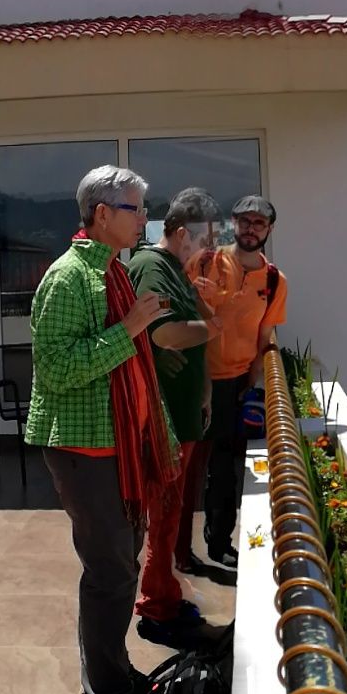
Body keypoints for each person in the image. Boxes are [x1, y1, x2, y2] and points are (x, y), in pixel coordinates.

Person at [26, 166, 178, 694]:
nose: (144, 217)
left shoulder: (111, 272)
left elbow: (133, 368)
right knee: (110, 571)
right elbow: (58, 369)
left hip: (116, 445)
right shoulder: (69, 278)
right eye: (136, 208)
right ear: (102, 214)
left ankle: (112, 672)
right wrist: (132, 326)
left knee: (120, 564)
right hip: (83, 448)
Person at [129, 190, 224, 642]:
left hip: (183, 412)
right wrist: (213, 327)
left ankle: (162, 592)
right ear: (183, 233)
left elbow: (188, 335)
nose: (210, 248)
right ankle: (156, 605)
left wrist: (204, 389)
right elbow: (165, 335)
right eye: (206, 239)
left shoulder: (176, 272)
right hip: (163, 417)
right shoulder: (151, 267)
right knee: (164, 513)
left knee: (170, 511)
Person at [187, 194, 287, 580]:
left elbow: (266, 333)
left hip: (236, 383)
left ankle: (218, 542)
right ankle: (177, 550)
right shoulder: (208, 261)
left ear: (269, 230)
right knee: (189, 467)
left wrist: (258, 384)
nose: (250, 229)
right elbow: (181, 310)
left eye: (258, 223)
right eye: (244, 221)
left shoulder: (275, 281)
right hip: (198, 379)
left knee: (227, 467)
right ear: (233, 223)